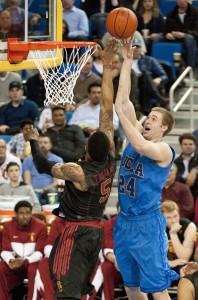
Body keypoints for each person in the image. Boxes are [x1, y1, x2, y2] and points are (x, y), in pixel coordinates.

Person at [23, 38, 119, 299]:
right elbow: (107, 109)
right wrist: (107, 67)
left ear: (88, 149)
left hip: (75, 233)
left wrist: (32, 140)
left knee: (65, 293)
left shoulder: (78, 172)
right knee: (76, 292)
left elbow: (42, 165)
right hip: (95, 233)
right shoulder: (109, 160)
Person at [114, 37, 179, 300]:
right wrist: (127, 61)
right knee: (131, 286)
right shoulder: (137, 135)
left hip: (147, 225)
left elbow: (140, 145)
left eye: (153, 118)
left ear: (163, 128)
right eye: (148, 116)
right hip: (124, 222)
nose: (148, 119)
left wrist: (122, 116)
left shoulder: (164, 150)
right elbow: (124, 101)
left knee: (158, 289)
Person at [0, 200, 47, 300]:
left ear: (31, 213)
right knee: (1, 268)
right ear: (16, 215)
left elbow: (40, 252)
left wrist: (25, 261)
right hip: (14, 263)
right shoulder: (8, 226)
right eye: (21, 213)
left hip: (31, 263)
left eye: (28, 213)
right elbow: (5, 250)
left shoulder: (41, 226)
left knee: (34, 269)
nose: (25, 216)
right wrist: (11, 261)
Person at [131, 37, 170, 114]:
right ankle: (159, 99)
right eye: (133, 47)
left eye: (138, 47)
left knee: (146, 76)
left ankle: (146, 111)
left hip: (145, 83)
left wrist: (159, 79)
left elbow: (164, 76)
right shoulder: (124, 61)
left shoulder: (149, 60)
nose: (135, 49)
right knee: (144, 76)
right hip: (130, 83)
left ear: (141, 49)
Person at [22, 134, 63, 202]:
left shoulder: (58, 160)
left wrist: (43, 190)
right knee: (26, 190)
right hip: (33, 190)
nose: (42, 145)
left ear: (50, 145)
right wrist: (34, 190)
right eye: (40, 143)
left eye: (45, 142)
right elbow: (27, 181)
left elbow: (56, 183)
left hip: (50, 190)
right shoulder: (27, 160)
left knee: (52, 191)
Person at [161, 200, 196, 277]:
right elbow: (151, 257)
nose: (173, 221)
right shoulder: (157, 229)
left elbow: (184, 257)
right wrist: (170, 263)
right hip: (164, 264)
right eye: (168, 218)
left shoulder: (189, 226)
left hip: (184, 263)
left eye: (176, 216)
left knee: (185, 270)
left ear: (179, 214)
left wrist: (173, 234)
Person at [34, 217, 66, 300]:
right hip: (60, 258)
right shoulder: (58, 221)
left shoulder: (90, 220)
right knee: (44, 264)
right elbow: (49, 245)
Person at [174, 132, 198, 200]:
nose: (188, 146)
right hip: (181, 195)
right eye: (185, 144)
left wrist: (195, 170)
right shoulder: (176, 161)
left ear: (195, 145)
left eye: (191, 144)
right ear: (181, 145)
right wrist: (184, 178)